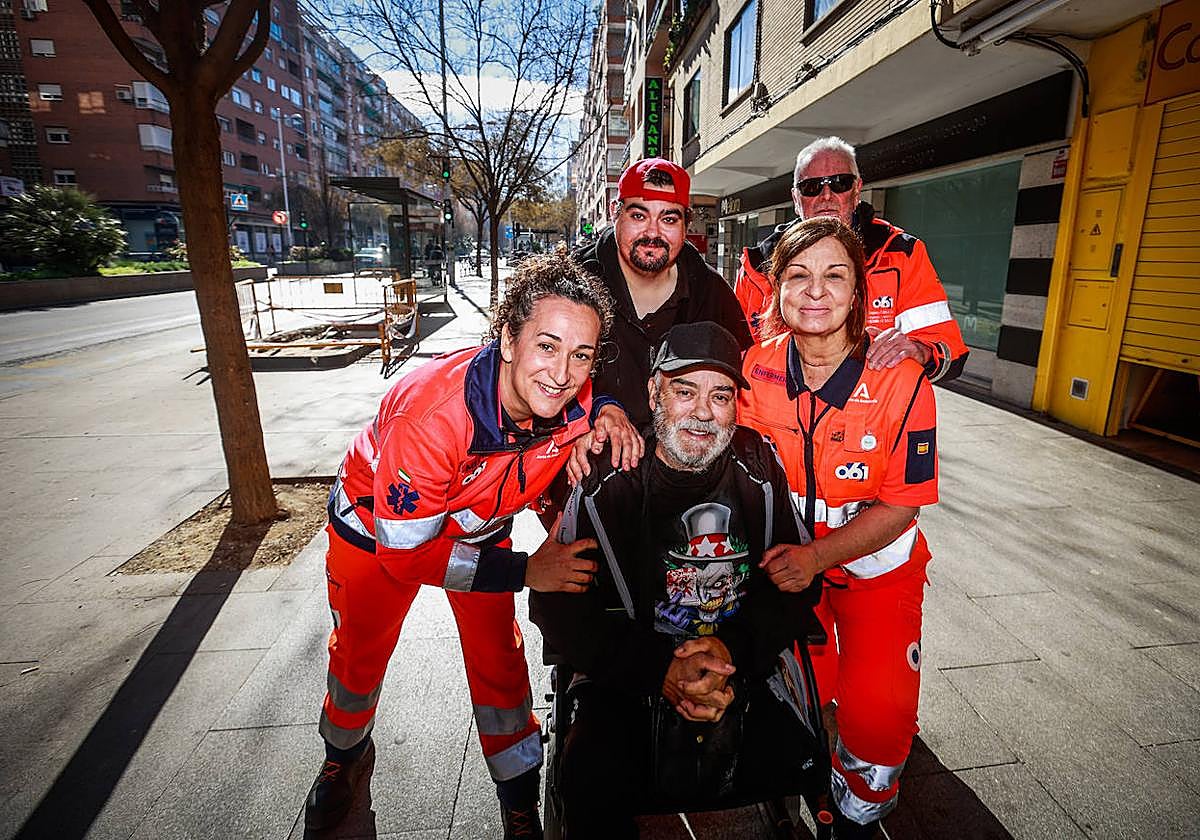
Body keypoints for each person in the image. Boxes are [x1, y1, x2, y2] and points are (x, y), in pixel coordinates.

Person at [305, 250, 642, 839]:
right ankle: (343, 756)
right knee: (358, 659)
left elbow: (593, 403)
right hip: (376, 538)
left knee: (502, 665)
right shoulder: (430, 415)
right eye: (546, 345)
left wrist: (611, 410)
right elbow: (407, 554)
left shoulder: (579, 399)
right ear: (508, 339)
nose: (562, 373)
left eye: (581, 355)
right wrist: (525, 570)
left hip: (481, 531)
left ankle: (518, 797)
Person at [531, 321, 822, 839]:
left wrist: (731, 653)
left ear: (737, 405)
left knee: (801, 756)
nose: (704, 412)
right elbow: (557, 606)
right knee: (588, 780)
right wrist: (658, 668)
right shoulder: (609, 477)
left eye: (721, 395)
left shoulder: (759, 468)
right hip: (628, 671)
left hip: (740, 663)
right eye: (685, 391)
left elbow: (798, 582)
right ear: (652, 392)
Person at [738, 217, 940, 838]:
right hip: (793, 575)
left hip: (877, 571)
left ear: (859, 292)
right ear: (776, 291)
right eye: (798, 276)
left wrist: (816, 557)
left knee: (878, 717)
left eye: (835, 275)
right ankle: (794, 783)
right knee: (791, 693)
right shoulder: (757, 367)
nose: (816, 291)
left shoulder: (902, 378)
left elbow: (901, 506)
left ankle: (855, 816)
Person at [735, 136, 968, 383]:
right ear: (795, 199)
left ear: (857, 190)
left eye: (840, 183)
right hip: (778, 414)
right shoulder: (758, 265)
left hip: (870, 413)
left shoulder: (901, 254)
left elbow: (950, 353)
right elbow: (735, 356)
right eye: (811, 187)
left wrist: (920, 351)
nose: (826, 196)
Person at [574, 158, 753, 433]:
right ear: (615, 213)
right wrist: (596, 406)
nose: (653, 232)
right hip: (591, 461)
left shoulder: (712, 292)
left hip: (683, 465)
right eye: (639, 216)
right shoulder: (574, 283)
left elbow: (743, 385)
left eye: (668, 219)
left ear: (686, 226)